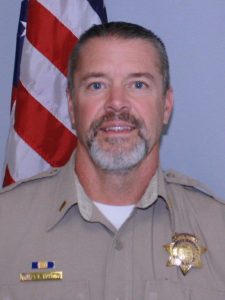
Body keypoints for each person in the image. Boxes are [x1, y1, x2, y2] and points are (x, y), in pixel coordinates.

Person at [0, 22, 225, 300]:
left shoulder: (219, 231)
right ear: (71, 105)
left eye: (138, 84)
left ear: (166, 106)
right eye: (97, 85)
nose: (117, 103)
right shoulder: (6, 226)